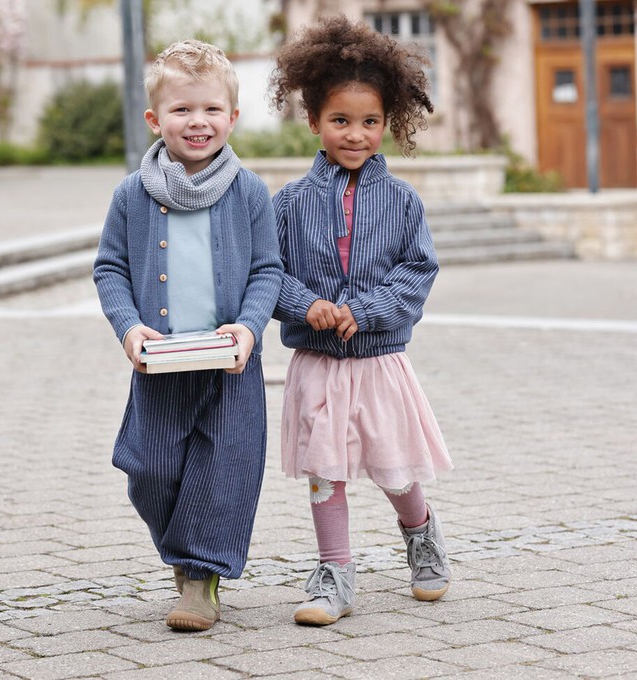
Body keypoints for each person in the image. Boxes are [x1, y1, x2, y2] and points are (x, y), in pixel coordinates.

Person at [268, 15, 453, 626]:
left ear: (389, 122)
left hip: (379, 366)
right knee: (327, 470)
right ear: (315, 121)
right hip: (318, 365)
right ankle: (335, 573)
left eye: (370, 121)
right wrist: (305, 305)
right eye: (341, 121)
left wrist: (364, 311)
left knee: (394, 469)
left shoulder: (403, 202)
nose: (356, 134)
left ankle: (421, 534)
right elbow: (268, 272)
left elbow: (417, 271)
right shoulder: (289, 203)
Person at [93, 40, 283, 632]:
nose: (197, 122)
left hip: (229, 363)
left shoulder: (249, 191)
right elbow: (110, 268)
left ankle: (199, 579)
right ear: (155, 119)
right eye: (181, 110)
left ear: (232, 117)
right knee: (150, 467)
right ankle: (185, 553)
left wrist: (249, 330)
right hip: (161, 364)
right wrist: (129, 328)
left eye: (210, 110)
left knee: (222, 468)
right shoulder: (132, 196)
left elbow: (267, 270)